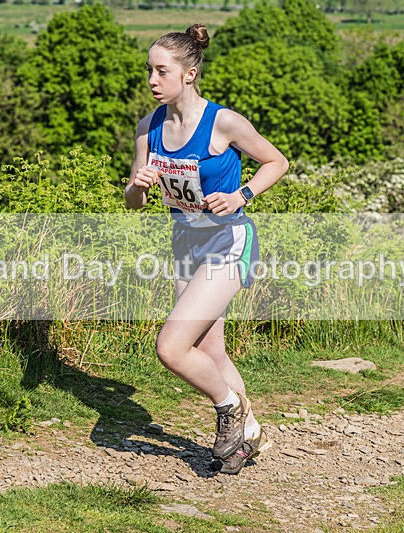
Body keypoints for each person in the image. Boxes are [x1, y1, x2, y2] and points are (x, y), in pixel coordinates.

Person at [125, 24, 289, 475]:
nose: (152, 81)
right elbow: (134, 201)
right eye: (149, 71)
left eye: (162, 71)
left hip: (228, 241)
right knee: (209, 349)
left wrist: (242, 196)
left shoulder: (224, 122)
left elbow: (277, 161)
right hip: (185, 243)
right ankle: (250, 433)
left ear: (190, 74)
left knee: (172, 347)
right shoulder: (148, 129)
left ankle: (229, 409)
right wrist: (135, 187)